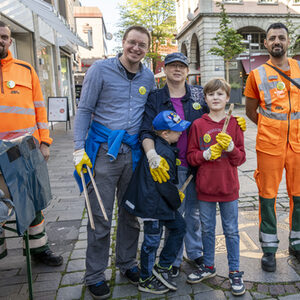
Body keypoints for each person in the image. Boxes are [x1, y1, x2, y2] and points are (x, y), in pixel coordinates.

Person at [140, 52, 246, 277]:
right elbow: (146, 129)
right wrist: (152, 155)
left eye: (182, 66)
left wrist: (235, 121)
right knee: (175, 214)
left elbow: (215, 112)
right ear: (165, 70)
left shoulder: (198, 93)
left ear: (188, 71)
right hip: (171, 162)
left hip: (199, 165)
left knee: (195, 213)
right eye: (172, 66)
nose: (177, 70)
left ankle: (196, 252)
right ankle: (174, 259)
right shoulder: (155, 97)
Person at [73, 25, 155, 299]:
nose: (136, 48)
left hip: (133, 155)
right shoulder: (99, 70)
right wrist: (77, 148)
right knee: (100, 217)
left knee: (131, 213)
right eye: (132, 42)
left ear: (148, 48)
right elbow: (84, 109)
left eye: (142, 44)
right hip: (104, 153)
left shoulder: (148, 76)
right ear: (123, 43)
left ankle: (127, 263)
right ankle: (95, 274)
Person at [0, 21, 63, 266]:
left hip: (23, 151)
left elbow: (40, 109)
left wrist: (45, 142)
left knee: (32, 201)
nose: (1, 40)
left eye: (4, 37)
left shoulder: (25, 69)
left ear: (10, 41)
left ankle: (39, 250)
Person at [245, 22, 300, 272]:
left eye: (281, 37)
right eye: (272, 38)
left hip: (298, 145)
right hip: (269, 146)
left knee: (298, 197)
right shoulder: (256, 75)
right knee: (267, 197)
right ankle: (269, 249)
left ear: (289, 42)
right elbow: (250, 111)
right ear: (265, 44)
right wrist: (271, 128)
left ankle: (297, 244)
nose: (277, 41)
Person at [186, 78, 246, 296]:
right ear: (205, 98)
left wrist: (231, 148)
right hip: (205, 189)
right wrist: (205, 154)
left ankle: (235, 271)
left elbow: (240, 159)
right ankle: (208, 265)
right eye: (211, 94)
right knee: (208, 229)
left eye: (220, 94)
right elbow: (191, 157)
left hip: (229, 188)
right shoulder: (198, 125)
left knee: (231, 231)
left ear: (227, 98)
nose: (216, 98)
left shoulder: (234, 124)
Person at [122, 110, 189, 294]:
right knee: (151, 241)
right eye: (177, 130)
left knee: (179, 226)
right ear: (165, 133)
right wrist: (176, 200)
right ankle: (145, 278)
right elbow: (164, 184)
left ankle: (163, 266)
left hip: (159, 204)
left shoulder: (163, 147)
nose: (181, 132)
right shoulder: (163, 152)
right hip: (152, 206)